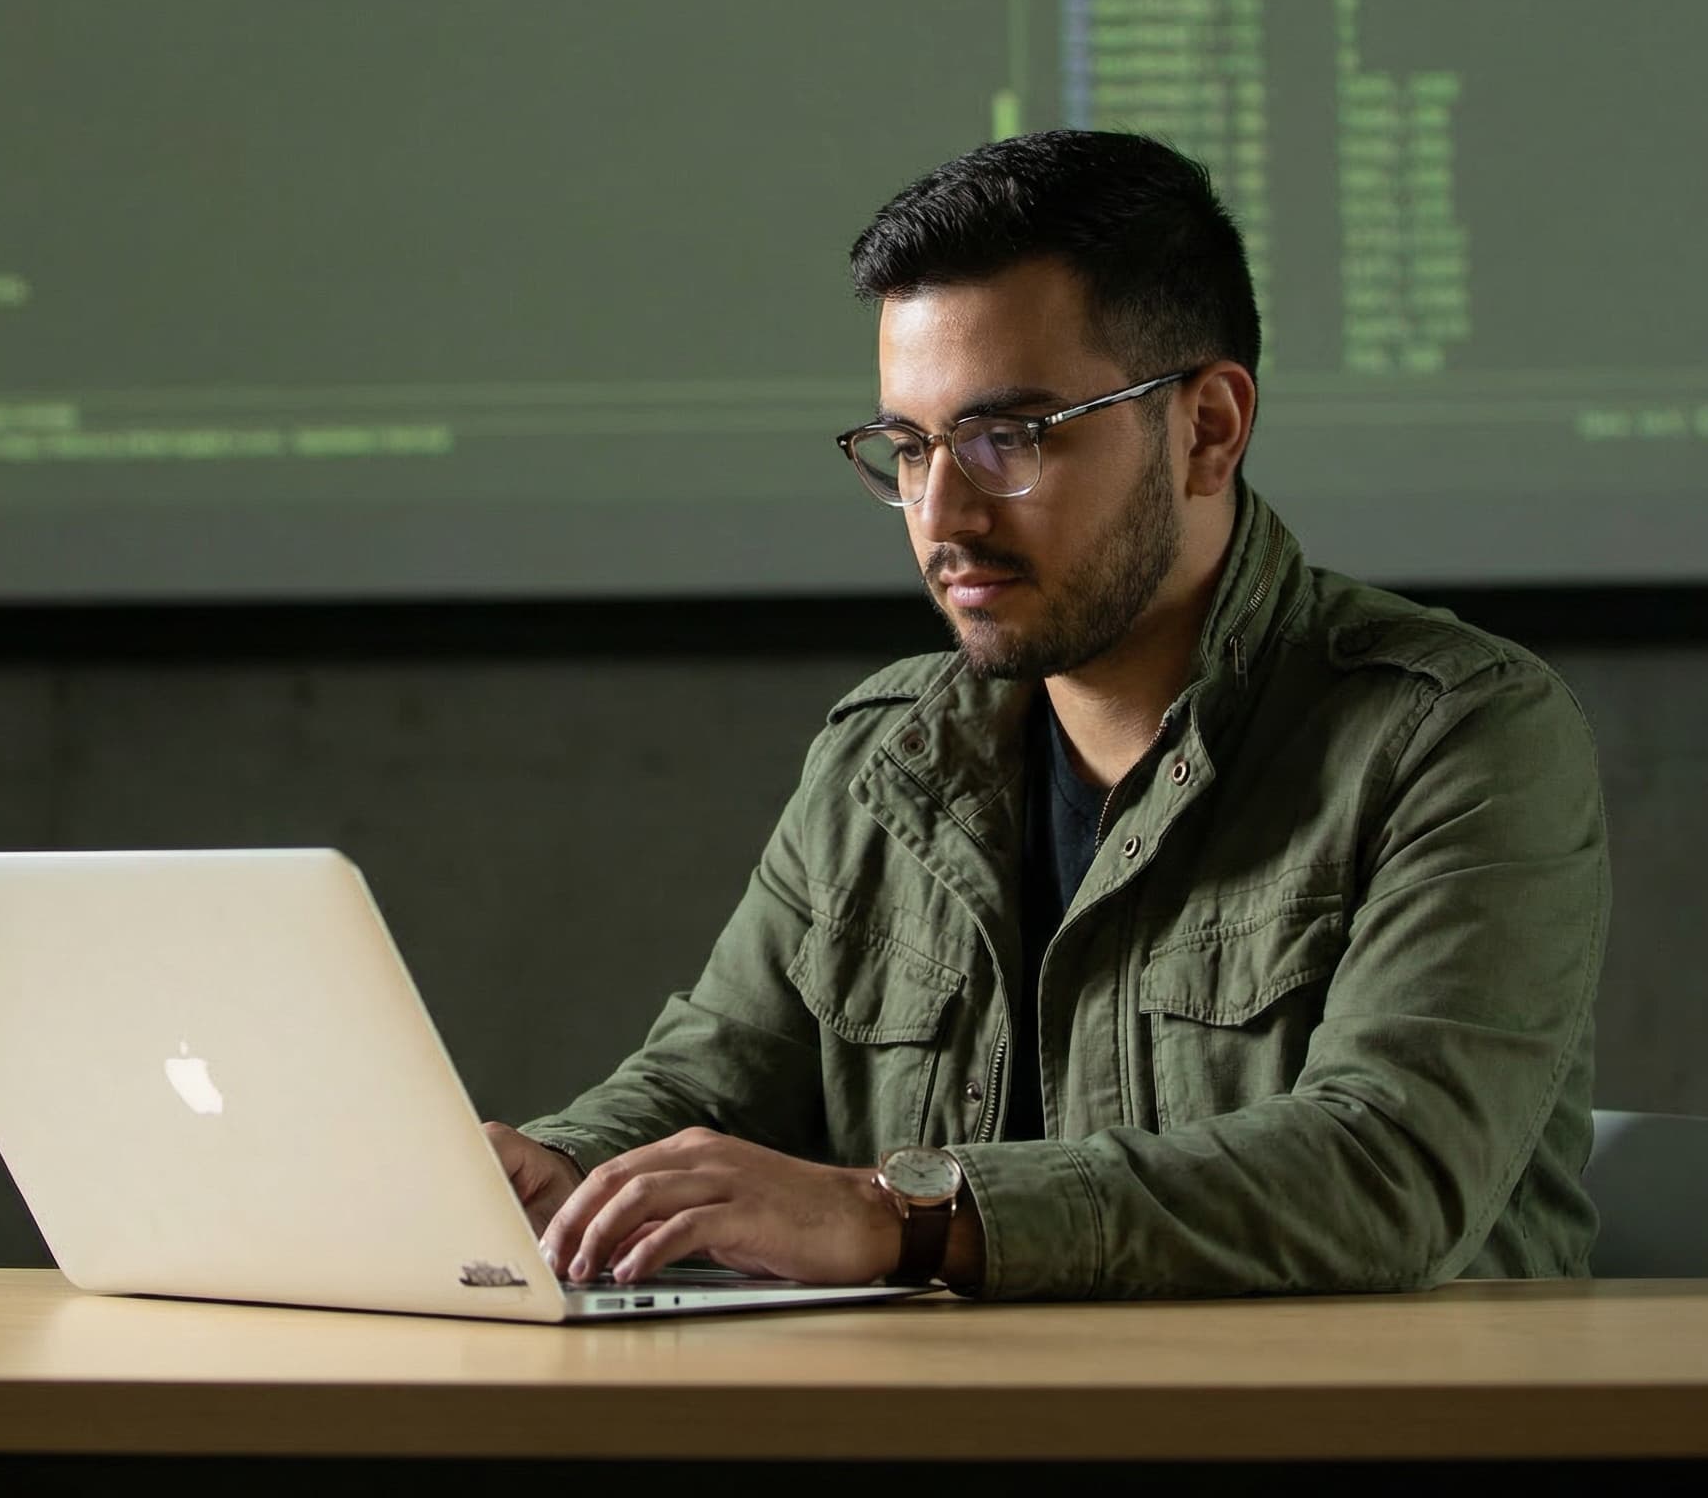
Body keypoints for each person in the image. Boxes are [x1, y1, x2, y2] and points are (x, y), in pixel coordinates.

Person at [484, 129, 1609, 1300]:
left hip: (1352, 1409)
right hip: (960, 1404)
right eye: (907, 447)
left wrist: (901, 1215)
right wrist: (557, 1168)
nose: (942, 512)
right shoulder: (880, 752)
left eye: (1004, 438)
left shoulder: (1454, 732)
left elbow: (1384, 1171)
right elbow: (709, 1084)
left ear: (1207, 428)